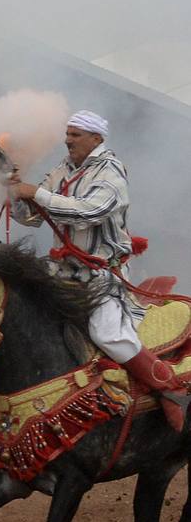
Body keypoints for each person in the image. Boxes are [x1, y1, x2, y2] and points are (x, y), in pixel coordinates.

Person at [10, 110, 187, 430]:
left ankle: (168, 389)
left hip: (102, 275)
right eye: (67, 134)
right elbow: (32, 217)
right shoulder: (62, 170)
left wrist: (35, 192)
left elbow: (89, 212)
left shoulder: (111, 171)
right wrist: (14, 194)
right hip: (60, 273)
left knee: (109, 334)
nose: (67, 140)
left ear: (96, 138)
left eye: (76, 134)